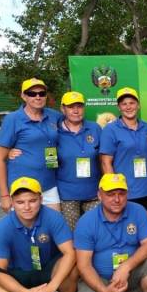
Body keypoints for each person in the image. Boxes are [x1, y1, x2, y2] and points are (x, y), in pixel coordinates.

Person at [0, 176, 85, 292]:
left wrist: (52, 287)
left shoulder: (53, 217)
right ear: (12, 202)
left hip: (47, 267)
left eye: (32, 201)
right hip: (17, 272)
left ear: (41, 199)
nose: (27, 207)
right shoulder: (2, 227)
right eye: (20, 202)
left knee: (73, 268)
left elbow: (70, 253)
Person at [0, 78, 62, 213]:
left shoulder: (54, 116)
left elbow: (71, 129)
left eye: (42, 93)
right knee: (24, 225)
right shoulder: (13, 119)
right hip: (22, 188)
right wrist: (4, 195)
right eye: (32, 94)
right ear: (23, 96)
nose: (38, 97)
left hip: (49, 185)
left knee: (54, 223)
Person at [100, 87, 147, 215]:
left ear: (138, 105)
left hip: (146, 190)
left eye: (132, 103)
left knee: (143, 225)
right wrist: (115, 190)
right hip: (123, 191)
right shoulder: (110, 130)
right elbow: (105, 163)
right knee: (124, 226)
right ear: (119, 107)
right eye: (124, 104)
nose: (128, 107)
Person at [56, 91, 102, 230]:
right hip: (67, 194)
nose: (76, 111)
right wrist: (12, 151)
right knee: (71, 232)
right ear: (63, 109)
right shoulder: (55, 131)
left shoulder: (95, 128)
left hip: (93, 192)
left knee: (95, 230)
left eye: (79, 106)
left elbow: (105, 157)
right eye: (71, 107)